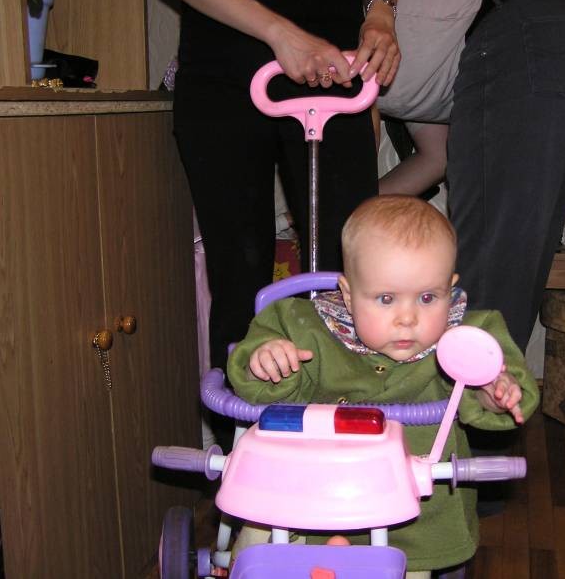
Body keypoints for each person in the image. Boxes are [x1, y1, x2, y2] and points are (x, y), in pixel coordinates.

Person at [227, 195, 539, 576]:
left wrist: (492, 390)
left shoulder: (466, 337)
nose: (407, 318)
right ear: (347, 295)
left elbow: (504, 379)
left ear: (450, 287)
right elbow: (251, 372)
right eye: (386, 299)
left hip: (412, 519)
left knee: (409, 567)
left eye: (428, 297)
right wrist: (268, 361)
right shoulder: (303, 326)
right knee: (260, 533)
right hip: (307, 498)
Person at [159, 0, 400, 376]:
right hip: (222, 68)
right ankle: (246, 410)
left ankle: (353, 410)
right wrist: (281, 33)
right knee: (239, 289)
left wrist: (381, 11)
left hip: (335, 68)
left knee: (355, 278)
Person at [376, 0, 565, 353]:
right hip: (556, 34)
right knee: (508, 281)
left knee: (487, 281)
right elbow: (436, 157)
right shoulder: (416, 73)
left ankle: (474, 386)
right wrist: (356, 208)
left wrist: (345, 213)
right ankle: (486, 383)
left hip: (520, 36)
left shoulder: (354, 36)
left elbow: (348, 163)